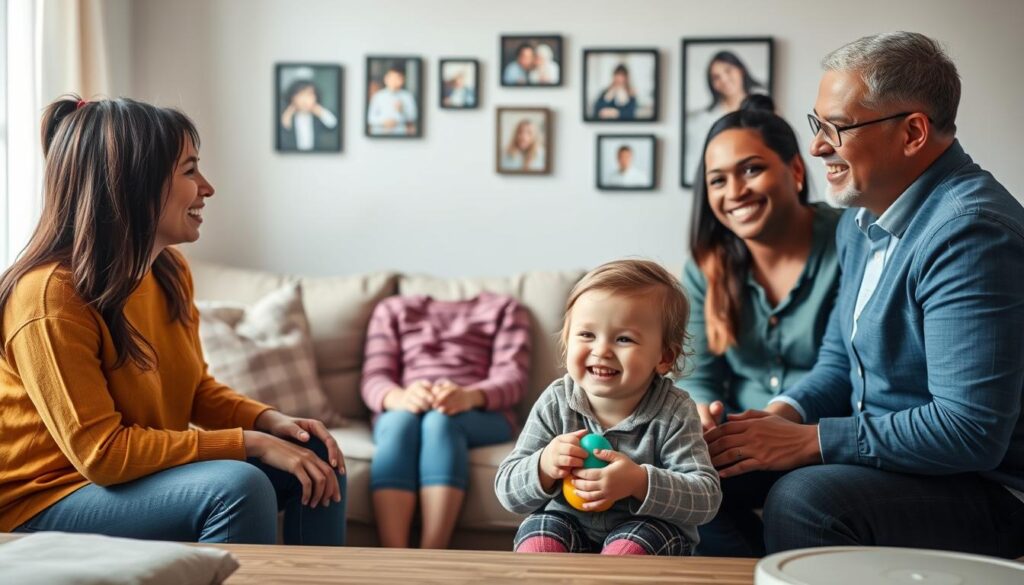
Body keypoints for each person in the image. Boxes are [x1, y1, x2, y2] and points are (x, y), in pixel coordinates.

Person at [703, 31, 1024, 558]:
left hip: (987, 487)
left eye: (837, 127)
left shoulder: (971, 233)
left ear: (913, 132)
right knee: (700, 472)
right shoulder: (860, 221)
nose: (816, 145)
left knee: (805, 500)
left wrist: (813, 442)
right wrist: (780, 416)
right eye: (816, 124)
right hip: (892, 463)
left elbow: (969, 430)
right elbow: (838, 362)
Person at [0, 96, 347, 545]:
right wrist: (249, 442)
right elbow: (101, 454)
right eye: (189, 170)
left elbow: (195, 388)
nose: (207, 187)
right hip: (43, 500)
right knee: (237, 488)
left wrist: (270, 421)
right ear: (132, 184)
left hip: (121, 481)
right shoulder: (49, 295)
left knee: (315, 453)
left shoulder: (167, 272)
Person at [680, 98, 841, 556]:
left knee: (803, 497)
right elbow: (698, 375)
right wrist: (702, 415)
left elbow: (847, 364)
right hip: (741, 437)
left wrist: (778, 421)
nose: (735, 192)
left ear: (794, 169)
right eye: (718, 180)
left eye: (751, 170)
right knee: (668, 483)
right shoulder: (705, 266)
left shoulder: (851, 239)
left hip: (822, 439)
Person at [495, 260, 721, 556]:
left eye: (624, 339)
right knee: (539, 537)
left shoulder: (675, 411)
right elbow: (507, 490)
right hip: (565, 520)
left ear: (664, 357)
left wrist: (639, 481)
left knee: (631, 549)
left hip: (646, 526)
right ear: (565, 343)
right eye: (587, 335)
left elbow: (705, 498)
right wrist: (544, 465)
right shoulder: (556, 400)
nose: (601, 350)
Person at [361, 293, 530, 549]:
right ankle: (393, 555)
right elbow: (374, 377)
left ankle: (433, 551)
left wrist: (470, 397)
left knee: (439, 422)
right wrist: (401, 397)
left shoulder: (506, 308)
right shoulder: (392, 309)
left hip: (480, 412)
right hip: (403, 409)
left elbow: (513, 378)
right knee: (400, 425)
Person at [684, 51, 766, 185]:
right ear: (712, 84)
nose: (724, 79)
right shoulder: (700, 120)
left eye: (728, 71)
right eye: (716, 77)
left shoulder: (766, 108)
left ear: (741, 70)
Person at [279, 79, 338, 151]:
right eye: (300, 95)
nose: (305, 99)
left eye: (309, 95)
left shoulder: (319, 117)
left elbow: (333, 124)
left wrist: (319, 111)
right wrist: (287, 116)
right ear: (292, 97)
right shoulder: (286, 116)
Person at [367, 66, 418, 136]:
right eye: (391, 78)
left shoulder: (407, 96)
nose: (394, 81)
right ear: (386, 79)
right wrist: (385, 122)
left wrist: (401, 111)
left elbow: (413, 117)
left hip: (401, 134)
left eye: (397, 78)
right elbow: (370, 118)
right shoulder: (378, 96)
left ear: (402, 80)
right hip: (380, 134)